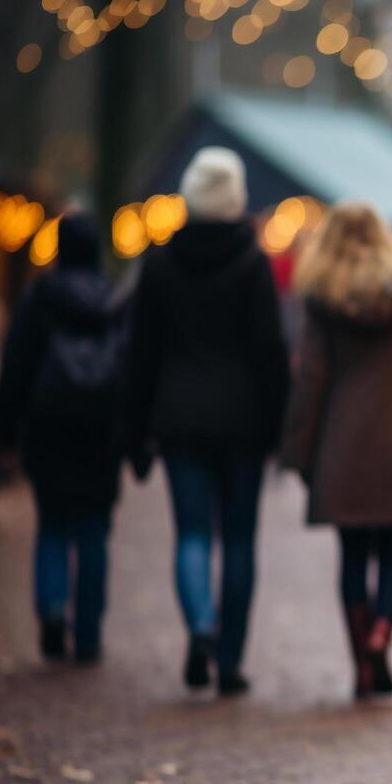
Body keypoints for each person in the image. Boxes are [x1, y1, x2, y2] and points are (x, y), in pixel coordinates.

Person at [125, 146, 290, 696]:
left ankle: (200, 624)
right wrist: (278, 427)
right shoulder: (253, 263)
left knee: (192, 534)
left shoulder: (159, 263)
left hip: (178, 419)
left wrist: (135, 429)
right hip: (243, 422)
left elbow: (140, 353)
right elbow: (270, 350)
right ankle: (230, 661)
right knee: (238, 541)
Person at [279, 202, 392, 698]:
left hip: (342, 446)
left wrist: (300, 452)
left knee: (353, 555)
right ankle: (382, 638)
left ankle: (361, 663)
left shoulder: (323, 300)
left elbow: (311, 378)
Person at [0, 214, 128, 663]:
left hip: (48, 427)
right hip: (100, 431)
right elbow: (130, 369)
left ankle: (52, 610)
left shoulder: (39, 298)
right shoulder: (112, 300)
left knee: (52, 525)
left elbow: (15, 368)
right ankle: (88, 633)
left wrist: (5, 435)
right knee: (93, 532)